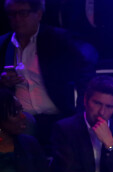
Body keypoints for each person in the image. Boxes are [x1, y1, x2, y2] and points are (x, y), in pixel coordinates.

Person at [0, 0, 94, 154]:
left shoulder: (57, 40)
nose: (17, 19)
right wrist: (2, 82)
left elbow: (85, 72)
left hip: (56, 114)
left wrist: (81, 111)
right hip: (20, 119)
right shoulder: (4, 45)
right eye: (12, 14)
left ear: (38, 14)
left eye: (23, 13)